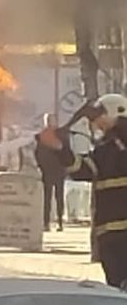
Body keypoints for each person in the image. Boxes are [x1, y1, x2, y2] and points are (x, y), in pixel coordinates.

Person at [39, 94, 127, 288]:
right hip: (112, 235)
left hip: (114, 237)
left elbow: (82, 170)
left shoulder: (110, 148)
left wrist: (60, 148)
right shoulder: (108, 148)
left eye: (98, 118)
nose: (95, 124)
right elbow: (83, 169)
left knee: (119, 293)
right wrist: (61, 147)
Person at [34, 113, 69, 231]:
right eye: (47, 120)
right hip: (47, 171)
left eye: (51, 120)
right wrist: (40, 166)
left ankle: (60, 222)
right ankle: (46, 223)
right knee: (47, 198)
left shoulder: (62, 135)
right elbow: (38, 153)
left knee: (59, 197)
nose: (49, 122)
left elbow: (67, 151)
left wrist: (66, 165)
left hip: (59, 170)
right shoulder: (41, 136)